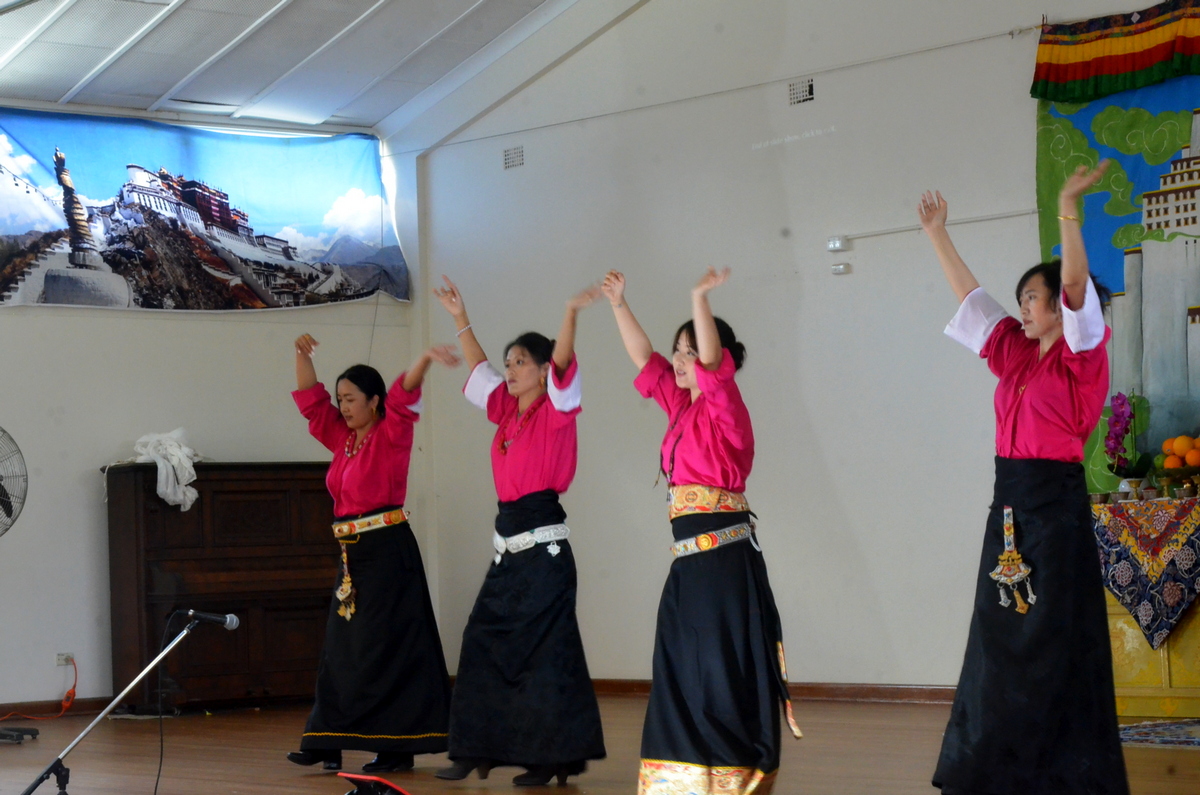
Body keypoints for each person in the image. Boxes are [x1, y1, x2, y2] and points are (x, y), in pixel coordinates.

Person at [918, 163, 1130, 795]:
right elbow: (970, 300)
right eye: (1024, 300)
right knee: (999, 635)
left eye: (1034, 298)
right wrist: (937, 234)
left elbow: (1070, 280)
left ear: (1065, 306)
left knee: (1049, 639)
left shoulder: (1082, 354)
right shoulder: (1013, 350)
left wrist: (1068, 206)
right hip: (1007, 512)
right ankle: (992, 764)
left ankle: (1060, 771)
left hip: (1055, 513)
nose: (1025, 306)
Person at [601, 268, 801, 795]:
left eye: (689, 352)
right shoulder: (679, 407)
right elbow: (646, 359)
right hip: (690, 562)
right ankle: (683, 778)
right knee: (681, 664)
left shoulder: (724, 406)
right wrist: (620, 304)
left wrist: (698, 298)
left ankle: (731, 775)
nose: (680, 360)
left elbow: (710, 365)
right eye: (678, 351)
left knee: (714, 668)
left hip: (722, 562)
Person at [432, 275, 607, 786]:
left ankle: (551, 758)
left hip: (545, 553)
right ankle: (475, 749)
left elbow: (564, 364)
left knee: (546, 657)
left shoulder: (558, 410)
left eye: (520, 362)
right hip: (508, 553)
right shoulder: (506, 410)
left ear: (542, 369)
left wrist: (571, 312)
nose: (509, 370)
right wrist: (460, 317)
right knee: (482, 640)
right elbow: (478, 367)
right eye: (508, 363)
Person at [285, 335, 459, 774]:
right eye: (340, 398)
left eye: (351, 398)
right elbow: (311, 402)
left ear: (374, 401)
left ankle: (397, 748)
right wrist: (302, 357)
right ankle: (326, 740)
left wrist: (421, 358)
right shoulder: (342, 440)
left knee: (387, 649)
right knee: (342, 649)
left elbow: (405, 397)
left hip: (387, 553)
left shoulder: (392, 434)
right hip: (352, 557)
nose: (342, 406)